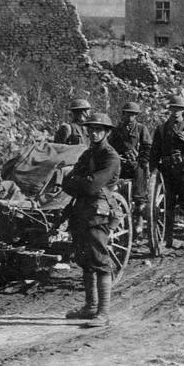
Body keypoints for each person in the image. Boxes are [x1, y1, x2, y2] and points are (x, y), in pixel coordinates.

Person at [62, 113, 121, 328]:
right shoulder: (88, 154)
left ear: (107, 132)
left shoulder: (111, 157)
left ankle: (103, 313)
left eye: (99, 129)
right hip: (81, 211)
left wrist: (79, 181)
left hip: (98, 213)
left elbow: (91, 186)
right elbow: (66, 184)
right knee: (84, 259)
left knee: (99, 260)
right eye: (91, 129)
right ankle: (89, 306)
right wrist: (79, 181)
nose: (94, 132)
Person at [150, 96, 184, 249]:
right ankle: (167, 239)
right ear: (170, 109)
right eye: (173, 108)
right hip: (167, 172)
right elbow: (154, 152)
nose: (176, 112)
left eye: (179, 109)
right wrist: (155, 170)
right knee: (168, 205)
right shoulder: (162, 128)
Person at [108, 102, 151, 236]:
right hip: (121, 162)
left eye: (133, 114)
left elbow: (147, 146)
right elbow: (111, 146)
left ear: (136, 115)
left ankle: (139, 206)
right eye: (127, 113)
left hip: (135, 163)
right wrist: (118, 157)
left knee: (140, 170)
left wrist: (141, 159)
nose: (130, 116)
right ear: (124, 114)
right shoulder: (117, 130)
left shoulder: (141, 129)